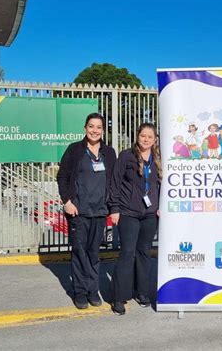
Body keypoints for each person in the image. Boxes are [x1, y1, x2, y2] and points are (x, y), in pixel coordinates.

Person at [57, 112, 117, 309]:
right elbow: (63, 177)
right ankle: (80, 292)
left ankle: (93, 290)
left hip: (99, 211)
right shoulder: (75, 150)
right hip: (78, 211)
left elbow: (114, 182)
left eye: (98, 127)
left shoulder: (109, 153)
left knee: (93, 253)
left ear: (103, 130)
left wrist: (112, 206)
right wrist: (67, 201)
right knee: (80, 252)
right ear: (85, 128)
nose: (94, 130)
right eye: (91, 126)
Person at [108, 123, 161, 315]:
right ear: (137, 136)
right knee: (127, 254)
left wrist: (161, 205)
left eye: (150, 136)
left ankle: (142, 292)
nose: (146, 139)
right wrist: (114, 209)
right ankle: (119, 297)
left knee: (144, 253)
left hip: (149, 215)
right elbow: (114, 183)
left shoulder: (158, 158)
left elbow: (163, 185)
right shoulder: (126, 156)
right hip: (128, 213)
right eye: (143, 135)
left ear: (155, 139)